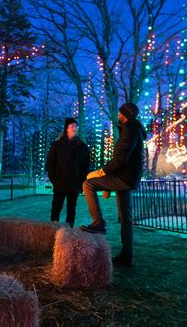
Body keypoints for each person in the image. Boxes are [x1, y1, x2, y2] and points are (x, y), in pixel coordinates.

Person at [80, 103, 146, 267]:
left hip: (125, 178)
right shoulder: (132, 129)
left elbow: (120, 159)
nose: (118, 114)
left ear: (124, 114)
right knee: (125, 217)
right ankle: (127, 256)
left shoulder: (129, 130)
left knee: (88, 184)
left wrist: (102, 172)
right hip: (128, 177)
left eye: (120, 112)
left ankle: (98, 223)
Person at [46, 118, 90, 228]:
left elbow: (86, 166)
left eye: (76, 126)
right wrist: (54, 180)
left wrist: (81, 180)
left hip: (74, 183)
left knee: (71, 209)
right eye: (72, 126)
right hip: (59, 182)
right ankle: (53, 229)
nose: (75, 128)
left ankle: (69, 232)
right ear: (66, 128)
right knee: (56, 207)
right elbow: (50, 163)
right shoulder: (57, 145)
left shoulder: (82, 146)